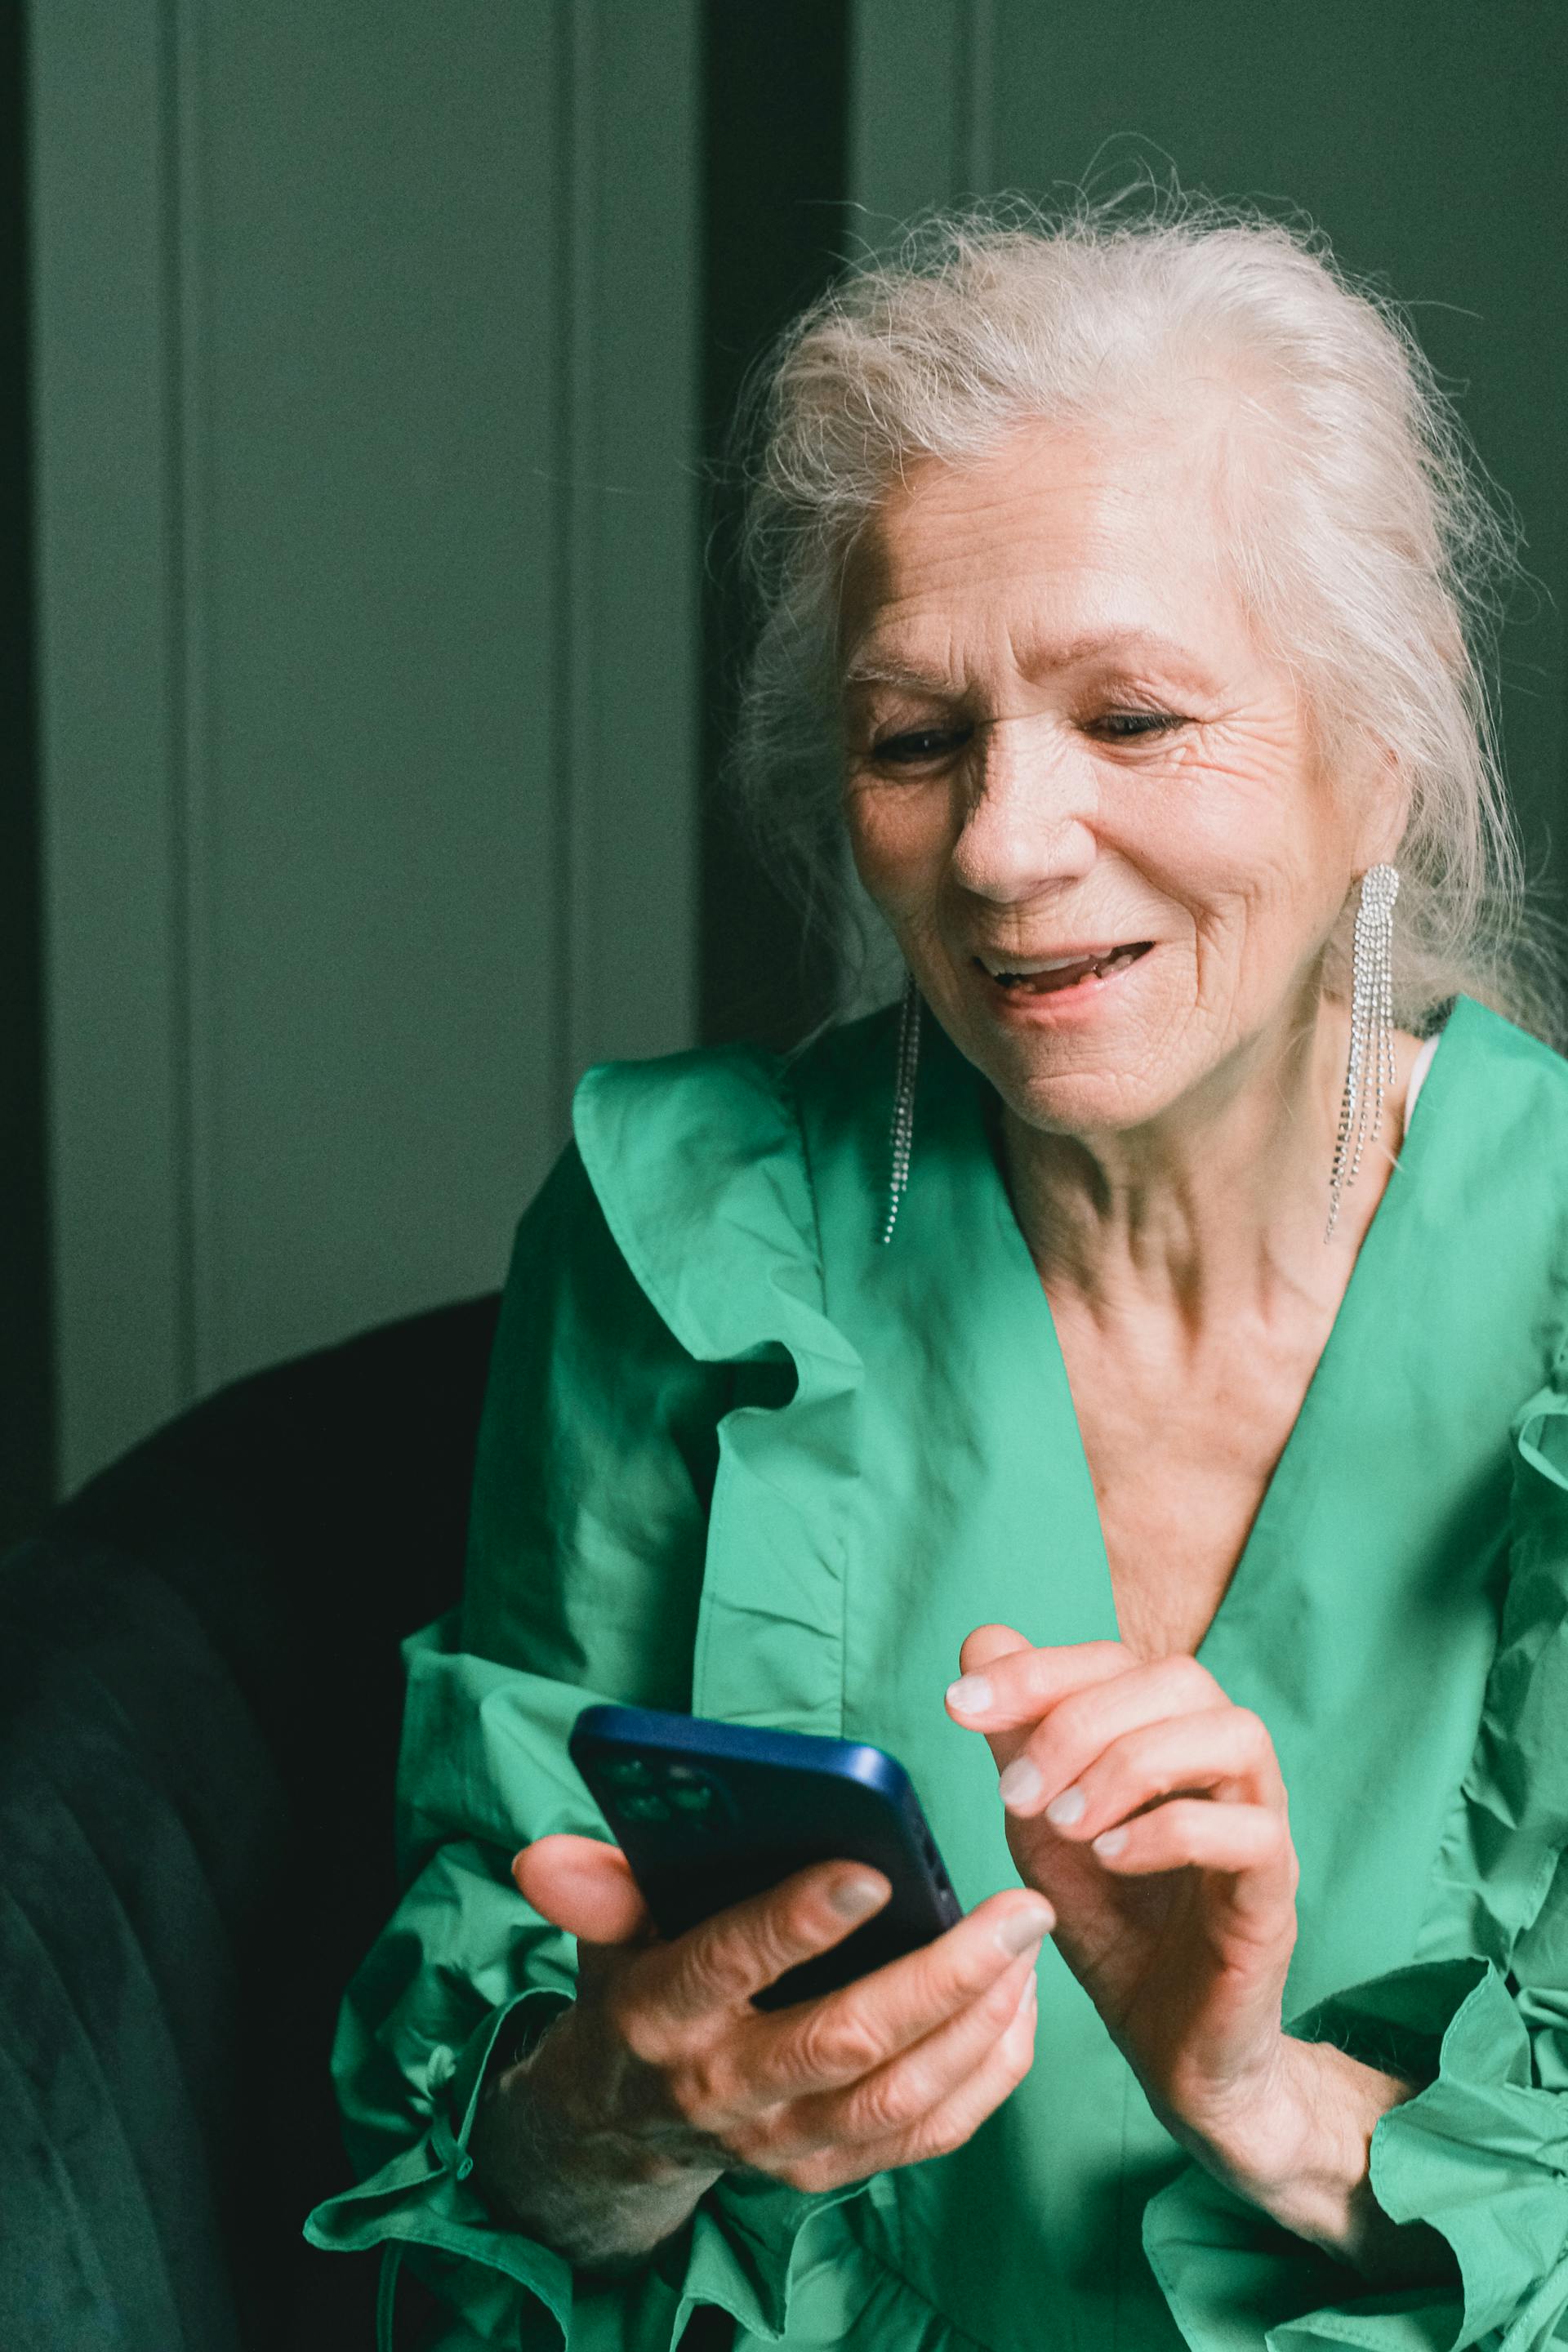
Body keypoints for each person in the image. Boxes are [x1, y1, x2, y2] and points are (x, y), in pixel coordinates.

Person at [305, 196, 1568, 2352]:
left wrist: (1266, 2108)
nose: (999, 845)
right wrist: (633, 2105)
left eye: (1135, 717)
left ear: (1388, 748)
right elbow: (487, 2194)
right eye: (917, 739)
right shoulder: (676, 1229)